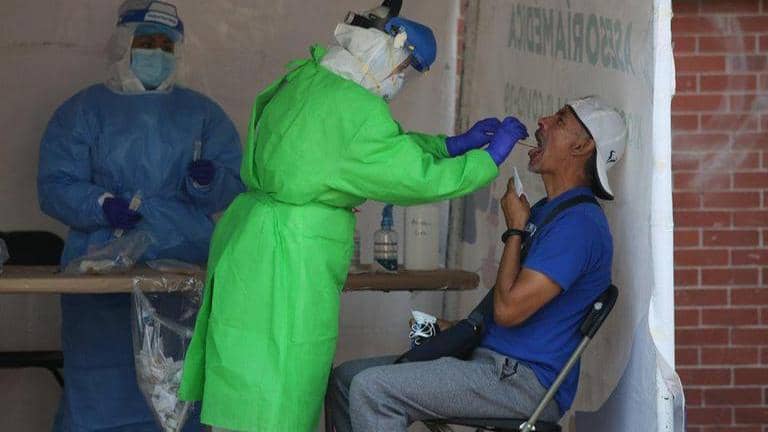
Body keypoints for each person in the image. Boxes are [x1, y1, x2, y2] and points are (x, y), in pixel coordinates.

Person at [178, 3, 528, 431]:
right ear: (385, 50)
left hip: (251, 243)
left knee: (247, 374)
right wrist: (486, 160)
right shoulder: (356, 110)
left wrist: (447, 146)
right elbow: (412, 176)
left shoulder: (307, 78)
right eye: (403, 68)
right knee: (280, 387)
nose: (399, 80)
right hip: (289, 258)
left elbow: (374, 149)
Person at [326, 96, 627, 432]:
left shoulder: (578, 225)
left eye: (559, 120)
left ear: (582, 146)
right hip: (489, 361)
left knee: (373, 389)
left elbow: (509, 310)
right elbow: (509, 308)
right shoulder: (547, 210)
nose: (541, 122)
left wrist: (514, 230)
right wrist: (459, 327)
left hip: (522, 379)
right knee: (346, 380)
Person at [37, 1, 244, 430]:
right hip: (100, 261)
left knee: (179, 381)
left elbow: (234, 184)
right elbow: (55, 184)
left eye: (166, 46)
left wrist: (207, 182)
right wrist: (100, 204)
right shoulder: (82, 112)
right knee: (102, 375)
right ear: (123, 46)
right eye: (147, 43)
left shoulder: (202, 115)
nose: (157, 53)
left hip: (185, 262)